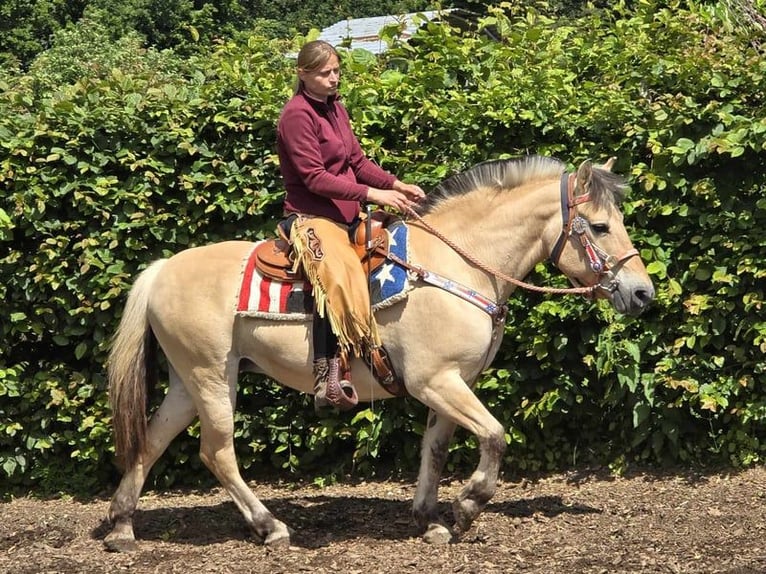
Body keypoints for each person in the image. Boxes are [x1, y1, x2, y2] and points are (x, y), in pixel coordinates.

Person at [276, 40, 425, 411]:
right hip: (312, 215)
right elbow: (315, 178)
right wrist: (374, 196)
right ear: (303, 74)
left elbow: (356, 162)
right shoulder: (297, 115)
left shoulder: (335, 108)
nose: (333, 78)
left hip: (347, 214)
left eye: (337, 71)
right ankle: (328, 378)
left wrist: (394, 184)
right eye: (325, 73)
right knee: (338, 276)